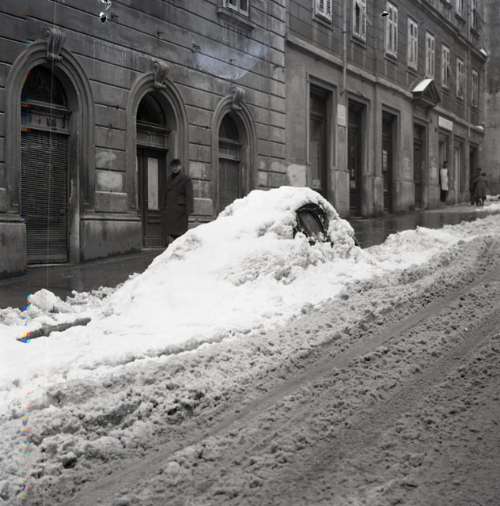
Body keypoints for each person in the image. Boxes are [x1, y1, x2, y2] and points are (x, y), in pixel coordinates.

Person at [162, 158, 193, 245]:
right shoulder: (168, 179)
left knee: (180, 233)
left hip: (181, 211)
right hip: (170, 209)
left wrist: (189, 210)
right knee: (171, 231)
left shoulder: (186, 179)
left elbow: (189, 195)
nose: (175, 168)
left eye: (177, 166)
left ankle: (180, 248)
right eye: (173, 166)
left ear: (180, 166)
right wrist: (163, 207)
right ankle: (174, 247)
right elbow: (164, 194)